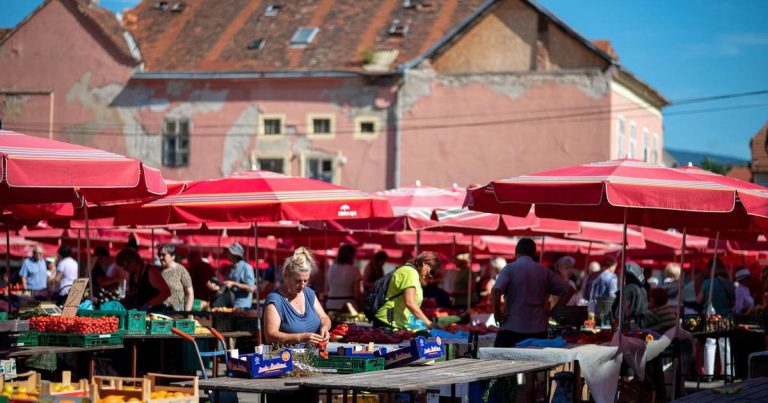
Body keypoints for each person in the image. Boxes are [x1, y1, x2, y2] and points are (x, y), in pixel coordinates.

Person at [492, 238, 575, 347]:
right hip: (538, 329)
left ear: (516, 251)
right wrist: (554, 312)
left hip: (512, 328)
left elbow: (495, 291)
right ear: (534, 253)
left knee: (499, 357)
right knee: (536, 358)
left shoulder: (509, 269)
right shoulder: (544, 271)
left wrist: (497, 315)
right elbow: (569, 290)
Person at [264, 247, 332, 344]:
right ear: (286, 276)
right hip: (287, 353)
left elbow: (324, 317)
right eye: (298, 281)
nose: (302, 285)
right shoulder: (275, 300)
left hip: (314, 351)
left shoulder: (309, 293)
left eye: (306, 280)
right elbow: (270, 336)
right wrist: (300, 337)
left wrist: (325, 327)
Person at [375, 251, 443, 330]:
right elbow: (409, 302)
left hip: (396, 322)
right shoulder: (410, 273)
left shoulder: (412, 273)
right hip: (388, 321)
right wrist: (428, 323)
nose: (431, 275)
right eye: (432, 271)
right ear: (424, 264)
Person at [697, 258, 734, 380]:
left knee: (710, 342)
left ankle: (708, 374)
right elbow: (733, 302)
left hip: (710, 316)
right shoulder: (729, 284)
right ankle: (728, 373)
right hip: (725, 316)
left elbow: (699, 300)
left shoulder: (707, 282)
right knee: (725, 343)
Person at [207, 242, 256, 309]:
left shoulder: (246, 267)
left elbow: (251, 288)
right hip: (230, 305)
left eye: (229, 253)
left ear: (235, 254)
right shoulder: (230, 268)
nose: (227, 254)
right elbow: (226, 286)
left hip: (242, 307)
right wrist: (216, 287)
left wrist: (233, 284)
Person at [611, 262, 648, 331]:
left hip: (626, 328)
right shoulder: (643, 290)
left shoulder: (628, 290)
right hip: (639, 327)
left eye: (622, 274)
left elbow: (619, 313)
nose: (620, 276)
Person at [157, 244, 194, 311]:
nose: (160, 258)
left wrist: (187, 313)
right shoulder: (159, 271)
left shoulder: (181, 271)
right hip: (160, 312)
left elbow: (190, 293)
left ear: (173, 257)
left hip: (177, 313)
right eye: (159, 255)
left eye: (163, 255)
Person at [325, 244, 362, 311]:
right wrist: (361, 305)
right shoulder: (354, 270)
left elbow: (328, 288)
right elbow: (357, 294)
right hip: (348, 306)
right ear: (351, 255)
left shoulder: (331, 268)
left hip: (331, 304)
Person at [590, 257, 618, 325]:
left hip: (591, 310)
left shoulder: (592, 275)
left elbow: (585, 294)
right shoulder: (612, 277)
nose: (615, 269)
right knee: (604, 330)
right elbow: (613, 295)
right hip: (604, 311)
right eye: (615, 267)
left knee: (591, 330)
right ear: (612, 266)